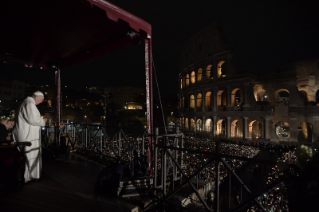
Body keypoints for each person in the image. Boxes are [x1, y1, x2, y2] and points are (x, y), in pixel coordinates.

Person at [12, 91, 47, 183]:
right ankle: (28, 176)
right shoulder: (29, 104)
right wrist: (43, 121)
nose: (42, 101)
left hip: (26, 133)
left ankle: (28, 176)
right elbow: (33, 119)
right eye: (41, 99)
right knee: (30, 154)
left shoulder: (25, 103)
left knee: (29, 155)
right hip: (28, 136)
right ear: (36, 97)